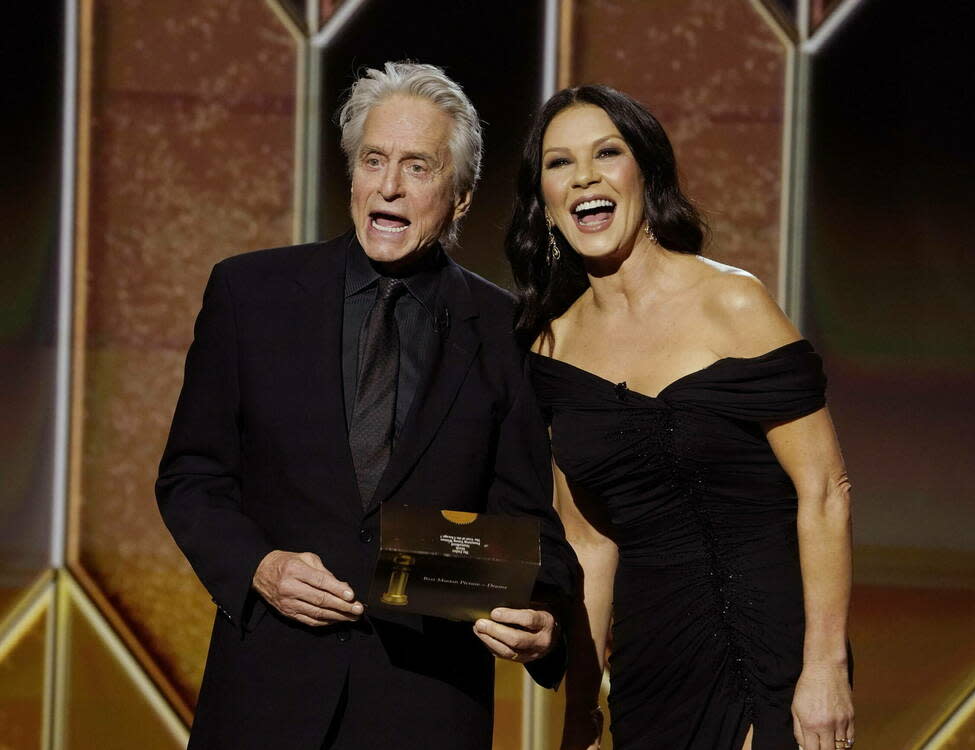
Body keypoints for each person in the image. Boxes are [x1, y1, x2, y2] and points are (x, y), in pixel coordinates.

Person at [156, 61, 577, 750]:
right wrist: (259, 566)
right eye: (374, 160)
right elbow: (192, 477)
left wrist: (542, 613)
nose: (389, 186)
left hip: (426, 707)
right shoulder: (248, 294)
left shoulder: (507, 331)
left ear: (462, 194)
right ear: (352, 175)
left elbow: (529, 527)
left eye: (418, 166)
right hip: (266, 699)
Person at [505, 85, 854, 750]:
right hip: (653, 665)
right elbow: (590, 545)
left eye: (606, 153)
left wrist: (826, 667)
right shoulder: (550, 350)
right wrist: (580, 710)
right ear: (544, 203)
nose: (583, 176)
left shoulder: (734, 304)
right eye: (558, 163)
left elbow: (826, 493)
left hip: (774, 647)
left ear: (645, 172)